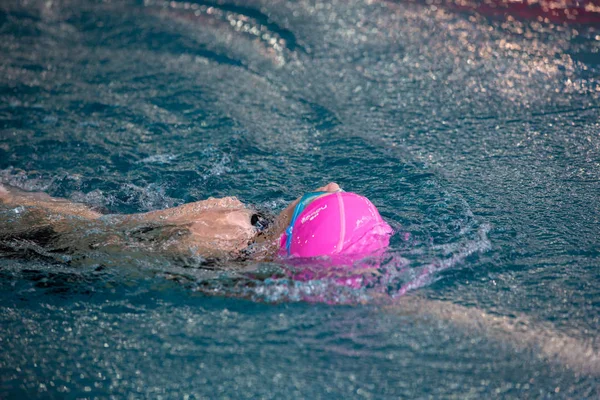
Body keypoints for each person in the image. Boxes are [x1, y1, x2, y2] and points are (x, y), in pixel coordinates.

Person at [0, 182, 392, 266]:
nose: (333, 185)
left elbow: (109, 231)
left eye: (324, 197)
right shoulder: (253, 263)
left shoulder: (230, 223)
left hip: (56, 240)